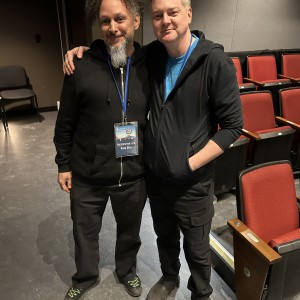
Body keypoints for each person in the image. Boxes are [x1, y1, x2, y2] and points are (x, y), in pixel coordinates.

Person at [63, 0, 243, 299]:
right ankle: (169, 278)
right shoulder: (154, 56)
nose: (165, 21)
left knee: (197, 249)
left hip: (192, 182)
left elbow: (234, 127)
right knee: (165, 238)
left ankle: (201, 292)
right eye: (158, 15)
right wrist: (81, 50)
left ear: (188, 13)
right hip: (156, 178)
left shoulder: (213, 61)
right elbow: (116, 46)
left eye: (172, 12)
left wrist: (190, 164)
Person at [54, 0, 149, 299]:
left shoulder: (151, 64)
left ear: (135, 20)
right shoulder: (80, 65)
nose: (112, 28)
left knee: (130, 231)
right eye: (105, 21)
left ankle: (127, 271)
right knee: (84, 232)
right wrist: (63, 164)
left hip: (133, 172)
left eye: (119, 19)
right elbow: (64, 122)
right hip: (88, 173)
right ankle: (84, 277)